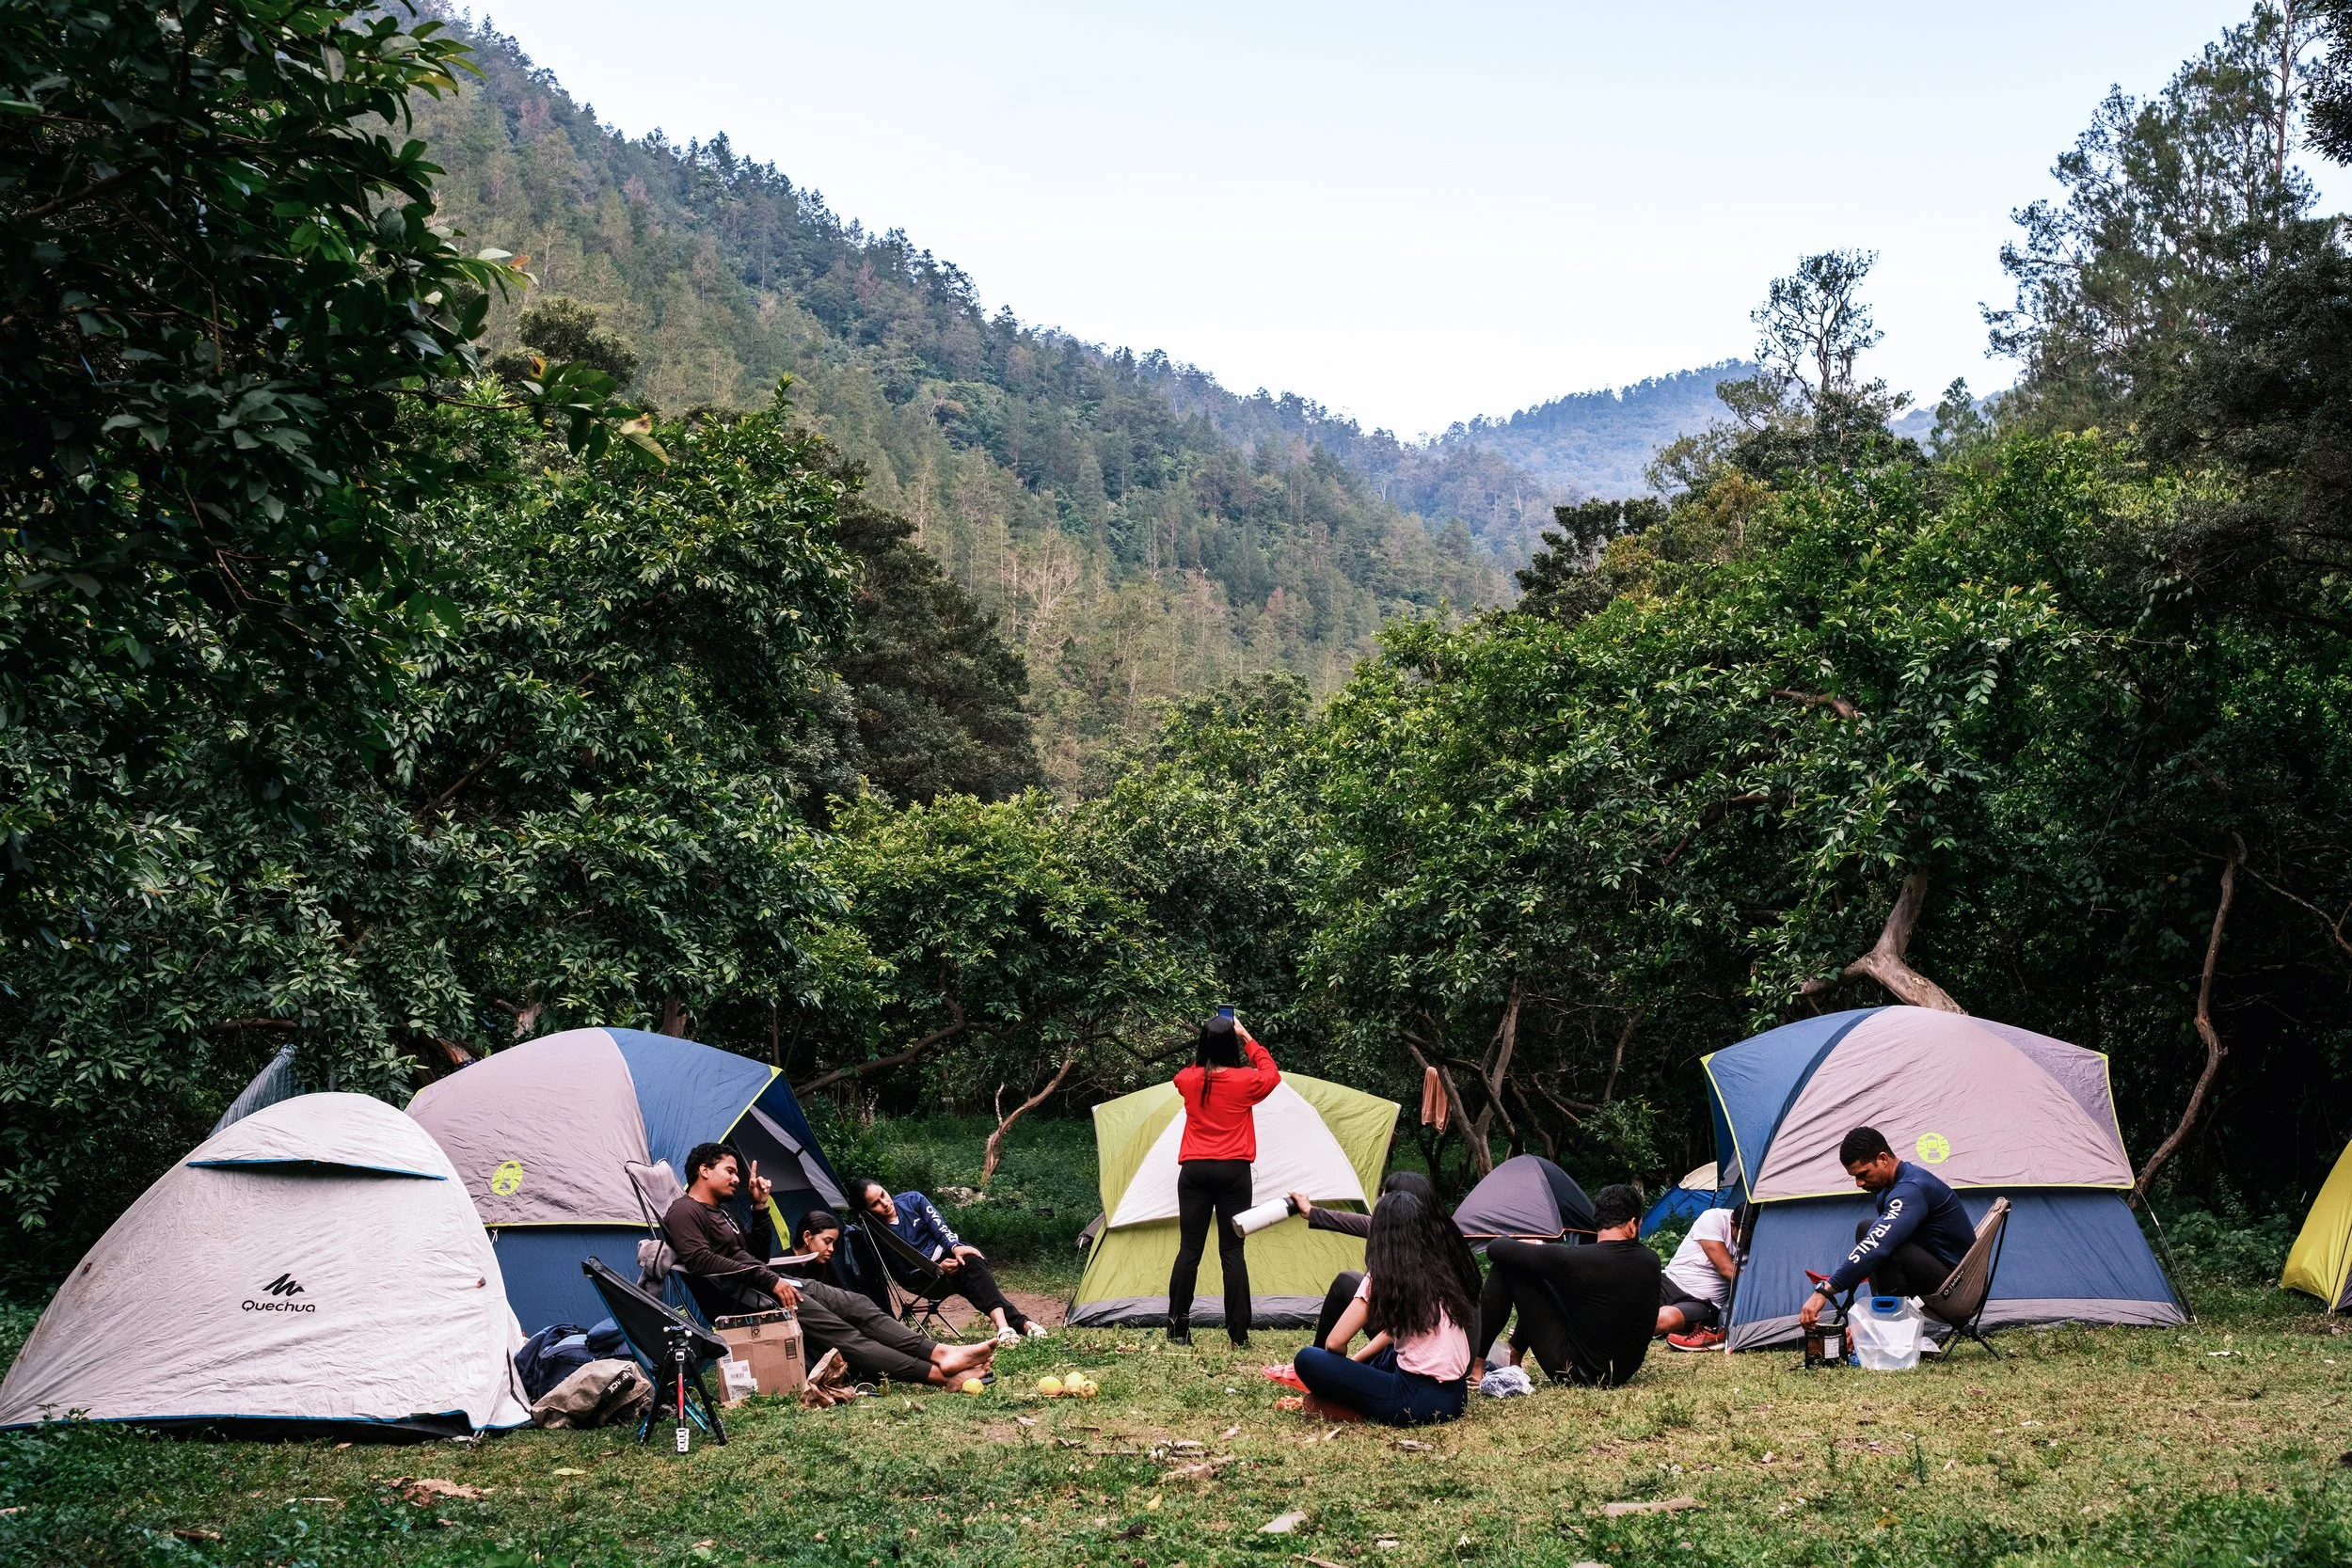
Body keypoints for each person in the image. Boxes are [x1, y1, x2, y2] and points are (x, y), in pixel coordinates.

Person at [662, 1143, 996, 1390]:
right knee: (844, 1334)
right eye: (729, 1171)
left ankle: (941, 1352)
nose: (737, 1178)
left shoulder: (721, 1212)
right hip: (752, 1297)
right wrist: (768, 1279)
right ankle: (939, 1375)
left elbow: (755, 1255)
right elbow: (701, 1261)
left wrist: (760, 1207)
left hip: (772, 1282)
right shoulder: (684, 1211)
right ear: (704, 1170)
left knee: (859, 1305)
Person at [1291, 1191, 1476, 1427]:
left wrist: (1340, 1370)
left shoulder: (1383, 1276)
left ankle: (1350, 1406)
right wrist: (1356, 1363)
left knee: (1308, 1358)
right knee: (1387, 1355)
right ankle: (1356, 1398)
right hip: (1456, 1397)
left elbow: (1334, 1343)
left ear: (1378, 1232)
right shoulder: (1441, 1268)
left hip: (1415, 1402)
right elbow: (1391, 1336)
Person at [1166, 1013, 1281, 1347]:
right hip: (1233, 1172)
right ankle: (1238, 1334)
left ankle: (1177, 1330)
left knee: (1189, 1249)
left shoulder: (1188, 1080)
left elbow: (1183, 1075)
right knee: (1232, 1251)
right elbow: (1272, 1075)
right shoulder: (1246, 1081)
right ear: (1231, 1045)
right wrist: (1247, 1038)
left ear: (1203, 1046)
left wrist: (1206, 1048)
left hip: (1194, 1171)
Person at [1474, 1182, 1659, 1387]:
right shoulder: (1651, 1260)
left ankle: (1476, 1364)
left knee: (1506, 1267)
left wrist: (1532, 1244)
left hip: (1574, 1372)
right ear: (1633, 1223)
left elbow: (1496, 1247)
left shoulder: (1576, 1259)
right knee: (1538, 1272)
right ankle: (1514, 1354)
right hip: (1621, 1372)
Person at [1797, 1126, 1976, 1332]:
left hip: (1959, 1291)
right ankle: (1882, 1320)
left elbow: (1877, 1244)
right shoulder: (1889, 1189)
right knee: (1869, 1229)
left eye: (1863, 1174)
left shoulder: (1911, 1189)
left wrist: (1825, 1291)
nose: (1859, 1183)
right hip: (1942, 1279)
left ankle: (1885, 1324)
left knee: (1882, 1241)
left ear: (1883, 1159)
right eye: (1854, 1177)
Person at [1291, 1172, 1479, 1354]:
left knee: (1351, 1285)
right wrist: (1311, 1212)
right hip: (1449, 1354)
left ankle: (1319, 1363)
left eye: (1384, 1199)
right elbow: (1356, 1222)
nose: (1379, 1205)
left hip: (1426, 1350)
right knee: (1346, 1281)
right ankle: (1319, 1357)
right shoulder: (1441, 1233)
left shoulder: (1430, 1257)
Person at [853, 1178, 1047, 1346]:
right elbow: (904, 1276)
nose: (885, 1203)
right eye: (875, 1204)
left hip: (949, 1253)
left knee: (970, 1261)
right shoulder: (877, 1234)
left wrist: (955, 1247)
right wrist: (936, 1270)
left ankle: (1010, 1327)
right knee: (972, 1272)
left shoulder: (912, 1200)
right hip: (927, 1279)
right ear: (868, 1211)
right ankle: (1017, 1325)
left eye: (883, 1194)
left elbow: (940, 1227)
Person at [1657, 1203, 1744, 1352]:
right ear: (1733, 1224)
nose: (1747, 1242)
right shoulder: (1714, 1218)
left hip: (1702, 1303)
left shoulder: (1761, 1243)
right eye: (1745, 1235)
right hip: (1668, 1281)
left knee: (1665, 1318)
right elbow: (1726, 1269)